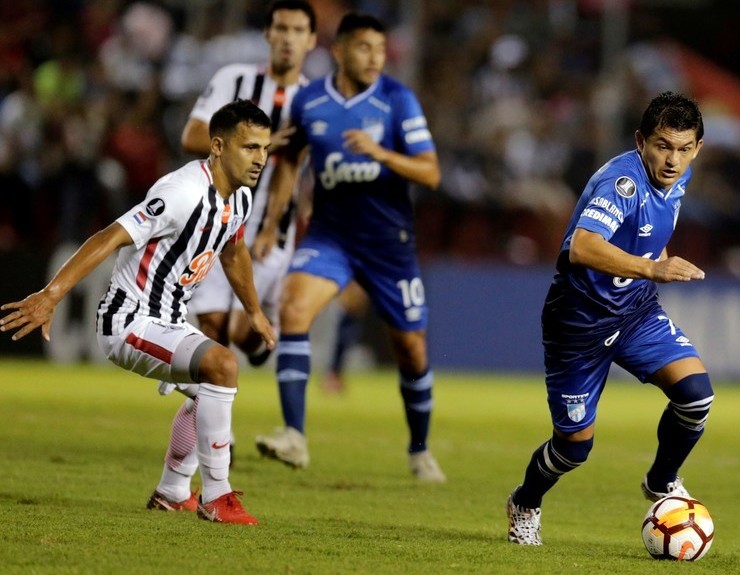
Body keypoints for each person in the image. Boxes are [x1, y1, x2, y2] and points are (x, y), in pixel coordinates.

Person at [0, 99, 276, 525]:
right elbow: (111, 236)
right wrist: (52, 294)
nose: (260, 159)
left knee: (206, 393)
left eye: (264, 148)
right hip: (129, 321)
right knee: (222, 364)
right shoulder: (180, 192)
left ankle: (172, 492)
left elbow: (234, 250)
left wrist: (254, 311)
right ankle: (217, 499)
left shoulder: (239, 196)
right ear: (218, 146)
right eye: (249, 148)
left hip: (168, 319)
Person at [506, 92, 714, 545]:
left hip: (635, 310)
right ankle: (526, 501)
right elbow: (582, 247)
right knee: (574, 448)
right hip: (578, 324)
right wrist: (653, 268)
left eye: (683, 148)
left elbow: (647, 232)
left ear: (697, 147)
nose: (672, 159)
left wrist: (653, 260)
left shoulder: (679, 175)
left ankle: (661, 482)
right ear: (641, 141)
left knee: (696, 396)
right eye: (662, 146)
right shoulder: (622, 182)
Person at [252, 12, 446, 482]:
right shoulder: (310, 100)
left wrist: (381, 154)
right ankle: (294, 436)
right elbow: (289, 162)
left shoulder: (398, 100)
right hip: (330, 235)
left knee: (412, 351)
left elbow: (431, 172)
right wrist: (271, 224)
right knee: (293, 310)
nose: (375, 58)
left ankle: (420, 449)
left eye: (381, 49)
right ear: (338, 51)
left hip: (388, 245)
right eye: (364, 48)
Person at [151, 0, 317, 482]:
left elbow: (292, 167)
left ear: (311, 40)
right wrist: (255, 140)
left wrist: (269, 225)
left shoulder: (310, 99)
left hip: (269, 234)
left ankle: (209, 428)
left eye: (298, 30)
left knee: (243, 332)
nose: (287, 37)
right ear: (267, 33)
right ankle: (205, 449)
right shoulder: (234, 80)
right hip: (213, 224)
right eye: (280, 27)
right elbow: (192, 134)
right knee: (211, 333)